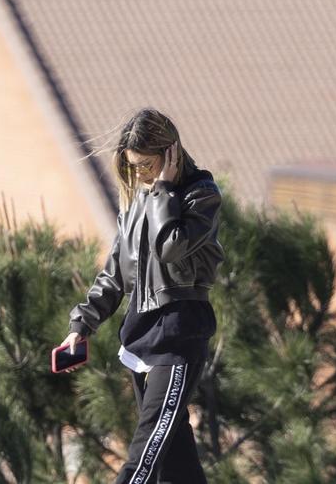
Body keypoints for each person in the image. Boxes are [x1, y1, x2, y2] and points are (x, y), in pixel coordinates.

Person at [60, 108, 224, 483]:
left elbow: (172, 247)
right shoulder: (136, 205)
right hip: (140, 342)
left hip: (178, 339)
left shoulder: (201, 195)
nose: (140, 174)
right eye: (133, 166)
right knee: (177, 463)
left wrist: (164, 190)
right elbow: (114, 275)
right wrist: (80, 326)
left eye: (147, 165)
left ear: (171, 153)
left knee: (144, 456)